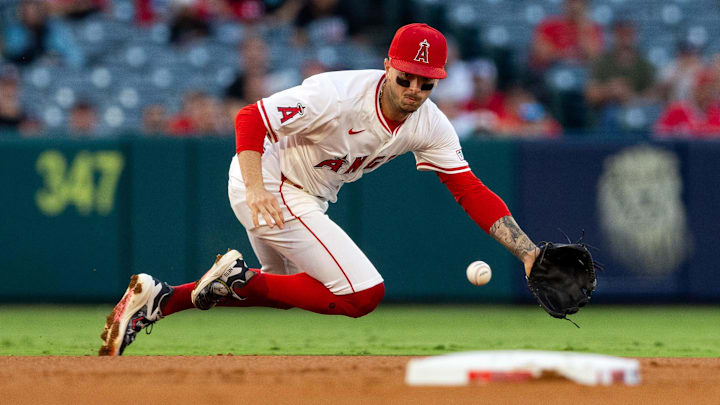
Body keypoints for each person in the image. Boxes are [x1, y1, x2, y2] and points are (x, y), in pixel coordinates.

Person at [99, 23, 542, 356]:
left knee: (282, 289)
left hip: (303, 196)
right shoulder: (339, 94)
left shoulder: (431, 125)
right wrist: (256, 189)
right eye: (405, 76)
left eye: (426, 82)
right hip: (269, 182)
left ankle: (159, 298)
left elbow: (470, 189)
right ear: (388, 66)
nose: (414, 89)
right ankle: (228, 278)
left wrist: (527, 253)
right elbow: (250, 119)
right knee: (363, 294)